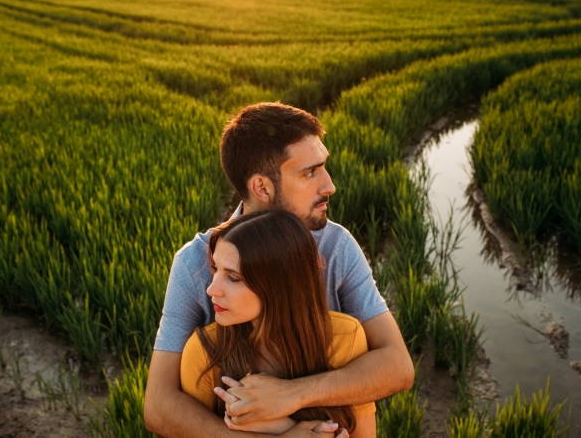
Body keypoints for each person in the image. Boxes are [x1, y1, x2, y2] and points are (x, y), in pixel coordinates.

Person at [144, 102, 414, 438]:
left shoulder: (336, 246)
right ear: (263, 188)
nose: (329, 185)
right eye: (309, 172)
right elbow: (158, 404)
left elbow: (398, 367)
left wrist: (290, 395)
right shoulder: (194, 263)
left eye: (323, 168)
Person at [181, 210, 375, 437]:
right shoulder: (204, 353)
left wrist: (279, 426)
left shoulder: (345, 338)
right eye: (216, 269)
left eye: (233, 277)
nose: (211, 289)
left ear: (281, 285)